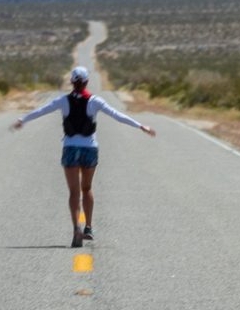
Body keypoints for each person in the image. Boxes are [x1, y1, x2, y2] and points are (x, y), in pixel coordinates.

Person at [13, 66, 156, 247]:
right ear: (87, 82)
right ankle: (88, 226)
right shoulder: (95, 101)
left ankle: (76, 229)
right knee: (86, 188)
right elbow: (117, 115)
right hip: (89, 148)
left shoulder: (63, 101)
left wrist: (22, 120)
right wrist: (140, 126)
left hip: (70, 148)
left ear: (72, 82)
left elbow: (41, 111)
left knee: (74, 192)